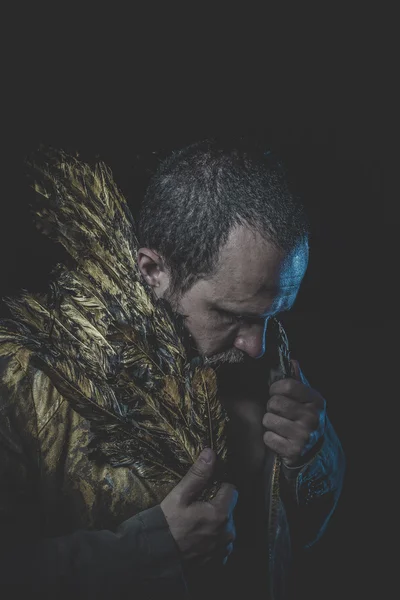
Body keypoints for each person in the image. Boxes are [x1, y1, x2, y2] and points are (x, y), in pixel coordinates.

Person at [0, 140, 345, 600]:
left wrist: (313, 457)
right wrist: (147, 552)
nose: (256, 345)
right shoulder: (22, 376)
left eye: (271, 316)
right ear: (152, 269)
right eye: (231, 315)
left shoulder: (262, 358)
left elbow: (301, 542)